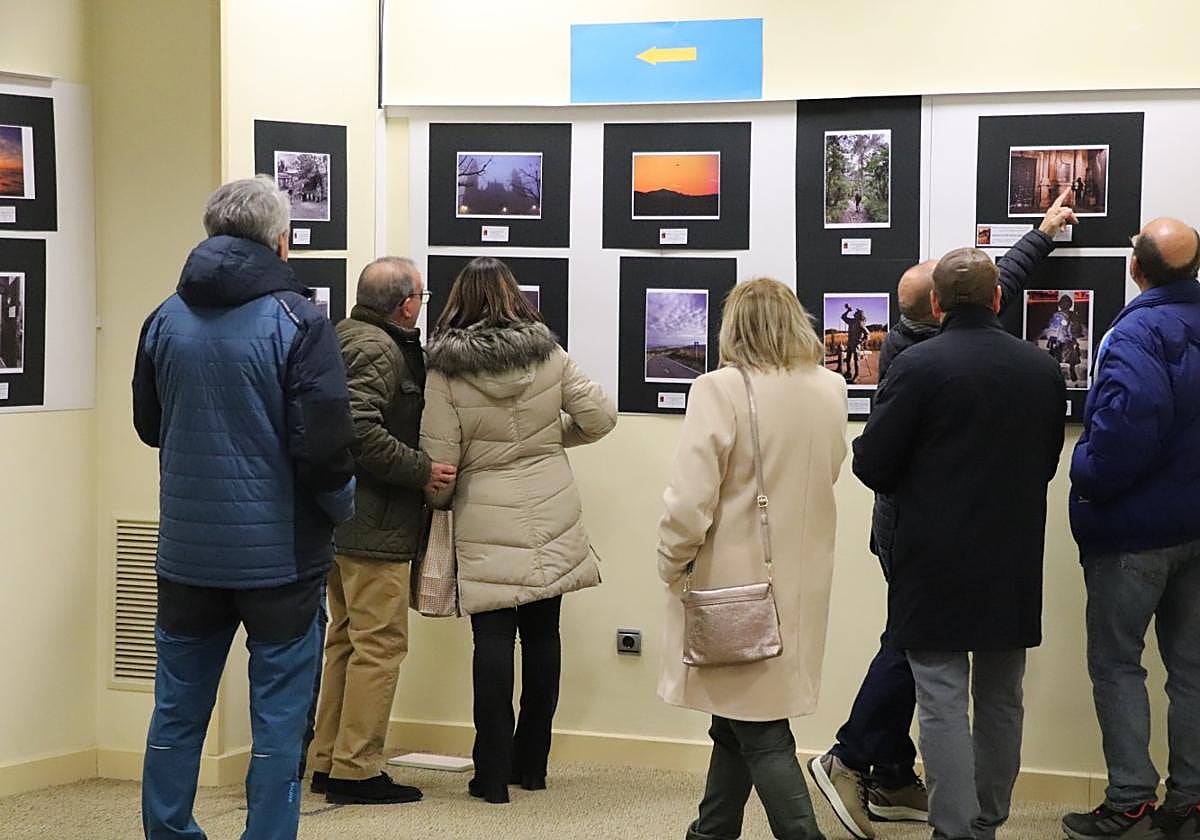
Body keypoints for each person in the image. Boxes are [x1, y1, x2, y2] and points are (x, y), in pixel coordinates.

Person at [807, 194, 1076, 840]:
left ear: (934, 307)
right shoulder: (1043, 370)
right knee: (1002, 699)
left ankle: (952, 830)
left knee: (941, 699)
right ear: (996, 303)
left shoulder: (915, 365)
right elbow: (1044, 463)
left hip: (932, 557)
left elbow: (871, 464)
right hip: (1012, 555)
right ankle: (986, 823)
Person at [132, 176, 356, 840]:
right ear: (281, 240)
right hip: (281, 561)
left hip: (186, 556)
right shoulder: (300, 322)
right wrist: (340, 510)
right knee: (279, 724)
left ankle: (168, 831)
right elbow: (326, 450)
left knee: (176, 713)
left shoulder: (164, 316)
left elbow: (150, 425)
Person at [420, 256, 616, 804]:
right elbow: (600, 417)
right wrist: (550, 442)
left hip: (483, 513)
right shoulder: (548, 355)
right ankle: (533, 766)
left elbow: (441, 466)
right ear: (513, 297)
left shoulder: (446, 370)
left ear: (460, 300)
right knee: (543, 638)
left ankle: (491, 773)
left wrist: (437, 499)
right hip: (552, 505)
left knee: (492, 642)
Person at [658, 278, 849, 840]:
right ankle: (711, 830)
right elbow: (830, 469)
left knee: (761, 729)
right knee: (738, 716)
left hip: (732, 583)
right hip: (801, 578)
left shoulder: (719, 389)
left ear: (733, 326)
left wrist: (672, 561)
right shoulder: (830, 387)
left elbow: (690, 499)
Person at [1062, 219, 1200, 840]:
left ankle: (1131, 804)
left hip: (1134, 533)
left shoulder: (1137, 331)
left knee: (1118, 665)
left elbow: (1125, 432)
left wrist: (1082, 471)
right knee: (1192, 668)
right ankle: (1190, 802)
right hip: (1196, 527)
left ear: (1135, 268)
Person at [308, 257, 457, 805]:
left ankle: (328, 760)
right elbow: (359, 428)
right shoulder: (377, 348)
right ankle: (358, 770)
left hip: (340, 521)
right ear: (405, 303)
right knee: (380, 645)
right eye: (422, 295)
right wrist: (422, 469)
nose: (423, 304)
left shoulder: (344, 334)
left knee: (345, 641)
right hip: (373, 525)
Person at [842, 304, 865, 383]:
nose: (854, 313)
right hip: (850, 343)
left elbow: (867, 334)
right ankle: (849, 372)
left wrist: (861, 340)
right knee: (848, 359)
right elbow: (843, 317)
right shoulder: (851, 321)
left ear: (859, 315)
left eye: (856, 313)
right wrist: (848, 310)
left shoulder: (860, 323)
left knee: (856, 360)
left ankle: (857, 375)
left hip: (856, 345)